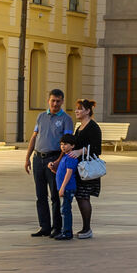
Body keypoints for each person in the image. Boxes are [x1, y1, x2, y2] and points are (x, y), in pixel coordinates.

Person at [25, 88, 72, 237]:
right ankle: (44, 226)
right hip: (38, 158)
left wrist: (58, 161)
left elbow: (68, 143)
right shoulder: (41, 117)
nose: (55, 104)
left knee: (55, 195)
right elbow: (34, 137)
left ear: (62, 101)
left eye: (58, 101)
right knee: (40, 195)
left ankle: (56, 227)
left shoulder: (66, 119)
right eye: (53, 100)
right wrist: (27, 158)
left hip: (53, 159)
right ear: (48, 100)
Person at [55, 97, 102, 238]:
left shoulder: (93, 127)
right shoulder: (79, 127)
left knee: (84, 197)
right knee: (80, 197)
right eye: (76, 108)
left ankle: (87, 229)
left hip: (87, 169)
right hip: (78, 169)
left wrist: (80, 151)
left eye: (80, 109)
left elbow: (96, 149)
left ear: (87, 111)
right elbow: (72, 143)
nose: (76, 111)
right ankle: (84, 228)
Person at [53, 133, 81, 240]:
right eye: (61, 144)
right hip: (64, 187)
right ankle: (66, 231)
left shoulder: (71, 157)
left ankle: (67, 232)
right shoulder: (65, 156)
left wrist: (63, 187)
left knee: (65, 210)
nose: (63, 146)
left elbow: (69, 173)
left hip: (68, 188)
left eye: (65, 144)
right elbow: (61, 172)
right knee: (64, 209)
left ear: (72, 146)